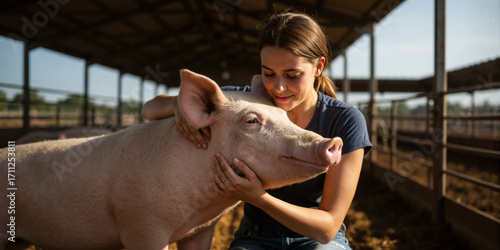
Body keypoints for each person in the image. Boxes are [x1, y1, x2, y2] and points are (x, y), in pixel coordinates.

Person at [142, 11, 372, 250]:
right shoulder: (246, 103)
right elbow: (149, 109)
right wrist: (176, 105)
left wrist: (257, 197)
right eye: (268, 73)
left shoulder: (345, 120)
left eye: (292, 75)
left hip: (316, 239)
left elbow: (327, 229)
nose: (279, 87)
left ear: (318, 67)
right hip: (256, 237)